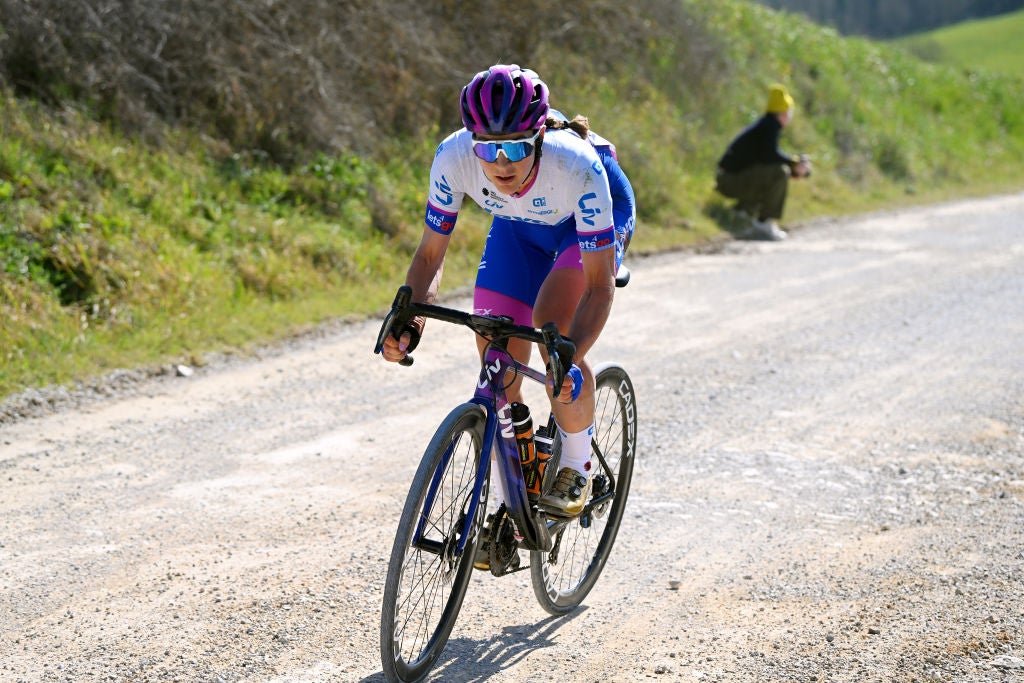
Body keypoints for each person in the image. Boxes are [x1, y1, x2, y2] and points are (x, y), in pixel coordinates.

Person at [379, 64, 636, 516]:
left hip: (585, 227)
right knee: (497, 350)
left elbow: (598, 287)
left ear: (538, 138)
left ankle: (578, 464)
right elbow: (428, 256)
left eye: (516, 147)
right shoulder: (453, 157)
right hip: (519, 229)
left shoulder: (578, 166)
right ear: (470, 142)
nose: (501, 164)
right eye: (488, 150)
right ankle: (510, 489)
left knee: (551, 332)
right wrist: (410, 317)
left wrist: (569, 354)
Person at [715, 83, 811, 241]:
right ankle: (764, 222)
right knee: (780, 173)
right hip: (729, 181)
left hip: (728, 179)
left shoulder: (767, 125)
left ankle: (744, 210)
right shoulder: (769, 126)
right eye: (789, 112)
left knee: (776, 172)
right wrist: (793, 164)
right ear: (782, 114)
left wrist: (793, 165)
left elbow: (765, 159)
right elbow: (770, 156)